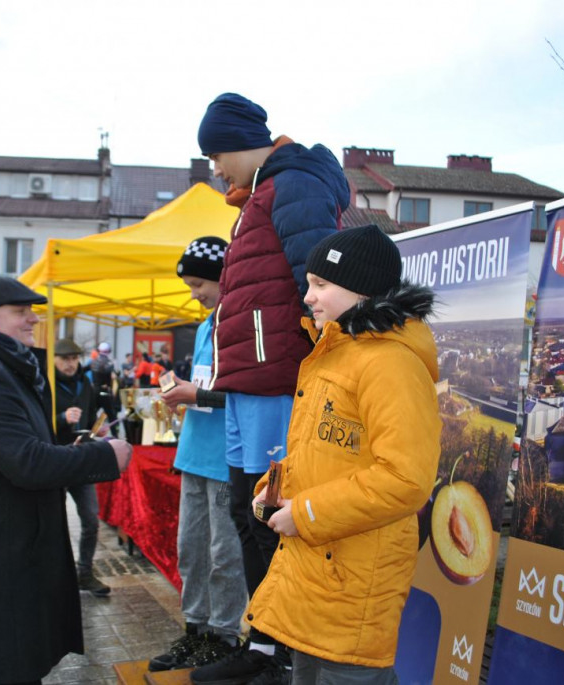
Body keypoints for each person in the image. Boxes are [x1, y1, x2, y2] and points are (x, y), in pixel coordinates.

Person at [188, 93, 351, 684]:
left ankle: (282, 654)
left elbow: (321, 279)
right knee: (245, 508)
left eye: (214, 156)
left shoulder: (294, 184)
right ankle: (263, 643)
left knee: (267, 514)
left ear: (234, 142)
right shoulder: (259, 192)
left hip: (277, 377)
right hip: (247, 381)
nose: (214, 170)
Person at [248, 226, 441, 684]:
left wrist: (309, 512)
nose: (308, 296)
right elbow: (318, 450)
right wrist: (273, 491)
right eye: (309, 283)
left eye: (321, 284)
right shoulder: (332, 353)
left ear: (362, 290)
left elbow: (405, 479)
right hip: (318, 565)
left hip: (354, 572)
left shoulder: (390, 363)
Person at [0, 275, 133, 684]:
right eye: (20, 312)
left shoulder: (7, 368)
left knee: (16, 666)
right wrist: (104, 456)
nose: (32, 320)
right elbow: (27, 462)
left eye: (32, 311)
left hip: (8, 553)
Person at [148, 237, 247, 673]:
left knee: (225, 554)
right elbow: (211, 387)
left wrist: (197, 393)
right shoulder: (208, 323)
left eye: (197, 283)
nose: (194, 293)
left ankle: (223, 636)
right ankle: (195, 629)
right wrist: (183, 392)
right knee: (191, 550)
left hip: (227, 459)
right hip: (194, 454)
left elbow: (248, 393)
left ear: (222, 275)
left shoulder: (242, 321)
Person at [53, 337, 111, 597]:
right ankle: (55, 575)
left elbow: (89, 417)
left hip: (81, 458)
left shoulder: (84, 382)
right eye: (65, 358)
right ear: (54, 359)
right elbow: (36, 421)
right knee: (53, 522)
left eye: (74, 358)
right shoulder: (46, 384)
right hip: (53, 457)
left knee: (90, 519)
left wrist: (97, 428)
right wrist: (61, 419)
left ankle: (84, 572)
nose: (70, 364)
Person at [87, 341, 117, 423]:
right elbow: (114, 375)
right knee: (111, 415)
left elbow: (82, 370)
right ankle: (115, 433)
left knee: (91, 413)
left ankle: (89, 431)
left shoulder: (93, 362)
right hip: (105, 392)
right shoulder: (109, 363)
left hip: (95, 391)